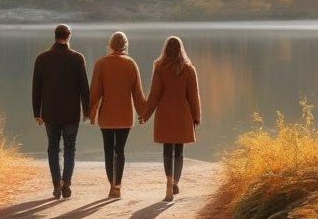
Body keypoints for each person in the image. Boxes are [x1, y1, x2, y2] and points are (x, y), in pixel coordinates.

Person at [32, 24, 90, 200]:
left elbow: (36, 89)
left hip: (50, 112)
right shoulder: (77, 58)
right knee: (70, 148)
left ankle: (56, 184)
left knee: (52, 148)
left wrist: (37, 112)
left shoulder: (41, 59)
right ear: (69, 36)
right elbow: (84, 88)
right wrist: (87, 111)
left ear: (55, 36)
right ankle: (67, 183)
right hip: (71, 113)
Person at [142, 36, 201, 202]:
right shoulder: (189, 69)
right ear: (181, 49)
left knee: (167, 150)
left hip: (165, 113)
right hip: (183, 113)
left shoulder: (160, 68)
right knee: (179, 151)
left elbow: (154, 94)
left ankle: (168, 179)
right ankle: (175, 182)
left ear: (166, 49)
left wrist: (146, 114)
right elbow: (193, 96)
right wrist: (196, 115)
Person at [88, 31, 146, 199]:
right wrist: (142, 113)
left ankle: (111, 183)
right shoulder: (131, 64)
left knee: (108, 149)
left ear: (110, 45)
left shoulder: (101, 63)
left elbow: (95, 92)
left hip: (106, 116)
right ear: (125, 45)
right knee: (119, 150)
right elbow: (137, 92)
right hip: (125, 115)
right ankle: (117, 185)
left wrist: (92, 113)